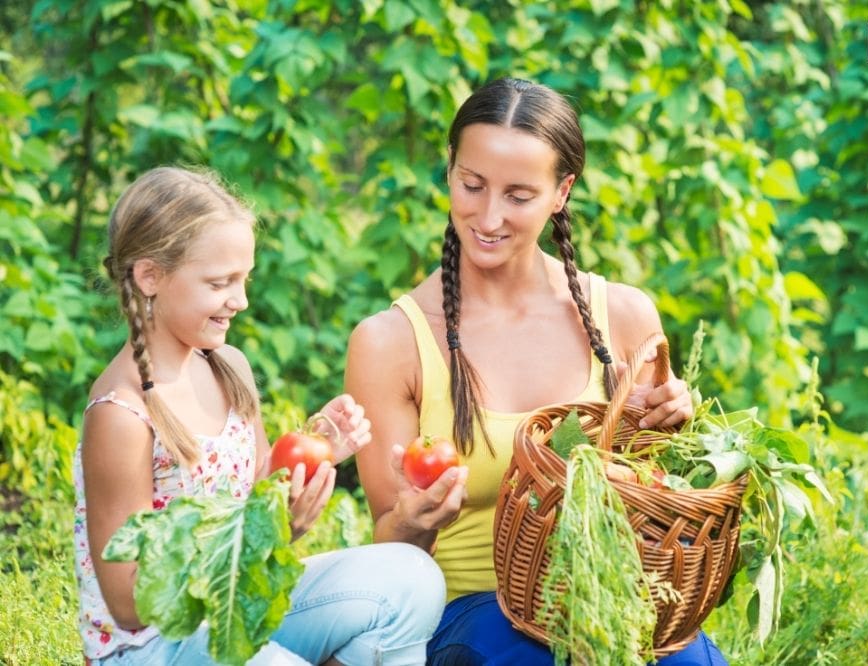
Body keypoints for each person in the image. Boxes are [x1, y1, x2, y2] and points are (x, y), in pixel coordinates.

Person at [346, 78, 727, 664]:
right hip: (470, 616)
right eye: (472, 185)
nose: (488, 216)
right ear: (450, 171)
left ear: (562, 192)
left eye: (519, 195)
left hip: (612, 597)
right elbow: (391, 554)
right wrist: (413, 520)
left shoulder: (622, 317)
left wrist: (673, 430)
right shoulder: (390, 342)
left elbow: (656, 503)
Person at [73, 166, 446, 665]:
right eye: (220, 283)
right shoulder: (121, 416)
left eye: (243, 280)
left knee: (410, 575)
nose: (240, 300)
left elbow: (257, 492)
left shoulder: (229, 368)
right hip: (152, 648)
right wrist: (265, 532)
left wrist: (315, 452)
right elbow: (129, 603)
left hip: (234, 617)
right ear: (150, 277)